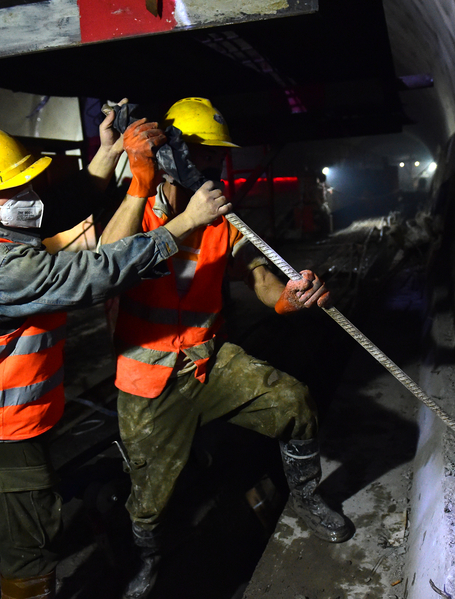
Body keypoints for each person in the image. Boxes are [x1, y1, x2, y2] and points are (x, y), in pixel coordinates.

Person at [0, 108, 230, 599]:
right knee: (30, 549)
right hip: (4, 429)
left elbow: (57, 206)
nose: (29, 197)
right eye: (15, 189)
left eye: (27, 182)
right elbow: (95, 273)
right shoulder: (0, 271)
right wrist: (182, 225)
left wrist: (106, 154)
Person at [100, 97, 353, 599]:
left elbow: (259, 279)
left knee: (293, 402)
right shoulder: (138, 206)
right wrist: (140, 184)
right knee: (150, 497)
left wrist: (288, 298)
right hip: (148, 377)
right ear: (170, 152)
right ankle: (148, 560)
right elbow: (107, 264)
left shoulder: (222, 217)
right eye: (199, 151)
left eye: (216, 154)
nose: (210, 163)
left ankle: (306, 496)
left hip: (208, 360)